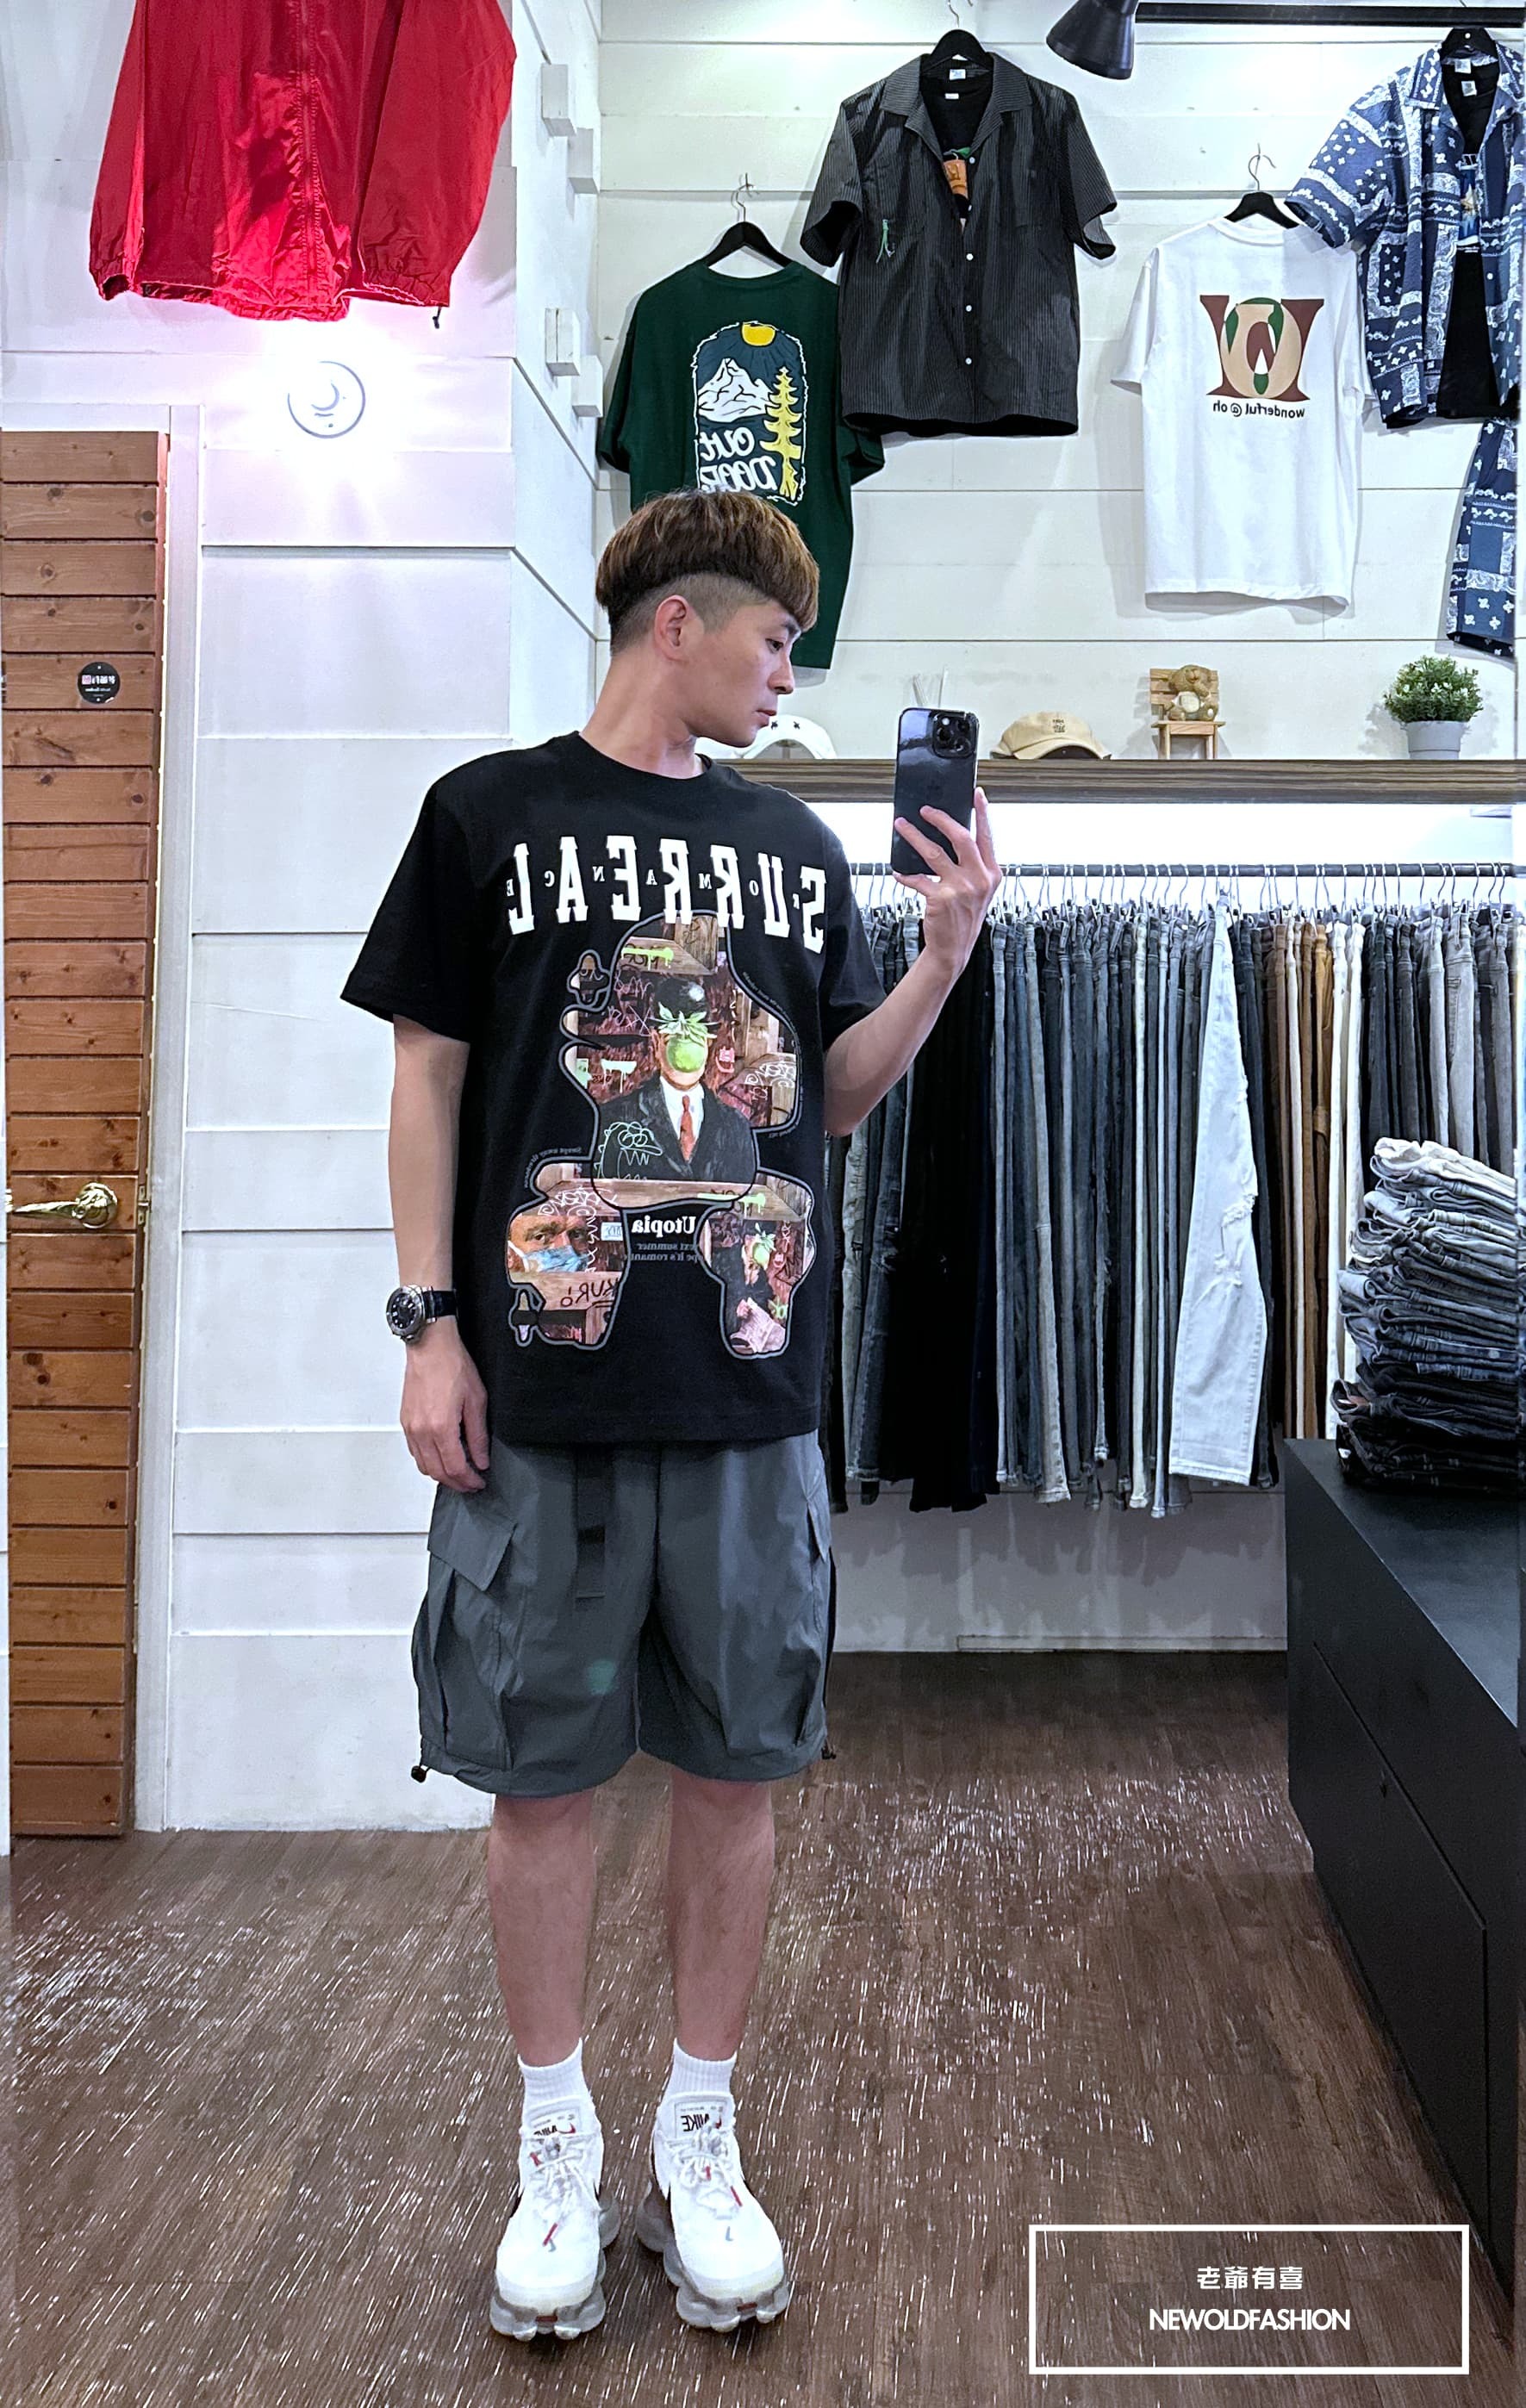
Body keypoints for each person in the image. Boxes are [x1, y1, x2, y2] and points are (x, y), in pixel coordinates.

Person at [338, 488, 1000, 2343]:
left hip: (746, 1392)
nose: (790, 677)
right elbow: (428, 1081)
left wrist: (942, 953)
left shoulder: (790, 847)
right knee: (537, 1782)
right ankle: (554, 2141)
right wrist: (428, 1325)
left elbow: (829, 1101)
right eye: (774, 642)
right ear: (676, 627)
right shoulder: (487, 816)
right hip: (538, 1390)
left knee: (737, 1774)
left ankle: (697, 2129)